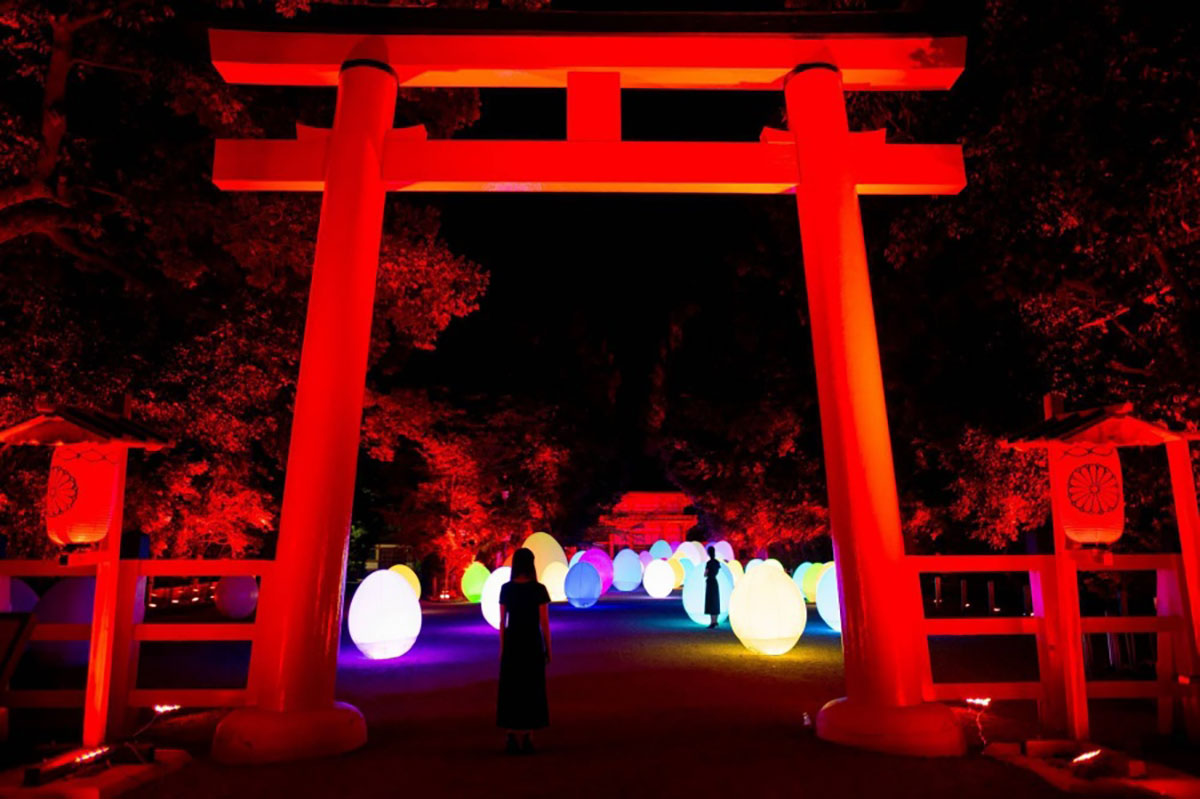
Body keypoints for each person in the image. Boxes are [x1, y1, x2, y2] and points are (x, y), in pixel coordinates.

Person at [497, 547, 551, 754]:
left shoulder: (506, 589)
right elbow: (544, 622)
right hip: (531, 642)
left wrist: (502, 647)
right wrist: (548, 648)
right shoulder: (539, 589)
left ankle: (510, 734)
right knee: (531, 687)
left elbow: (502, 622)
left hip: (513, 642)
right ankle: (528, 735)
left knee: (511, 688)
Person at [704, 546, 721, 628]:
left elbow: (705, 574)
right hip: (715, 582)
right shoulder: (717, 562)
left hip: (710, 582)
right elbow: (717, 571)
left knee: (710, 601)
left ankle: (712, 622)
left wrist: (707, 574)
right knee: (715, 601)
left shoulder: (709, 563)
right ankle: (716, 621)